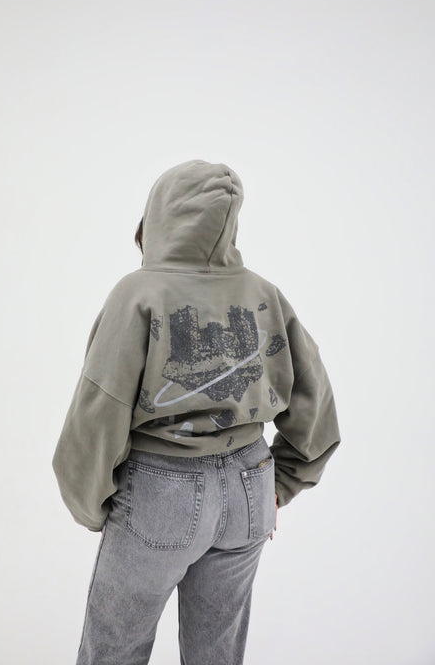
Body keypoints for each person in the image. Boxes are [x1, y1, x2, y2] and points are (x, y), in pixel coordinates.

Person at [52, 159, 341, 665]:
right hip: (250, 487)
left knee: (114, 650)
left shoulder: (138, 293)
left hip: (160, 491)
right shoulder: (264, 294)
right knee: (218, 655)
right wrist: (278, 485)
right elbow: (315, 401)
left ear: (160, 216)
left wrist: (91, 505)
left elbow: (99, 410)